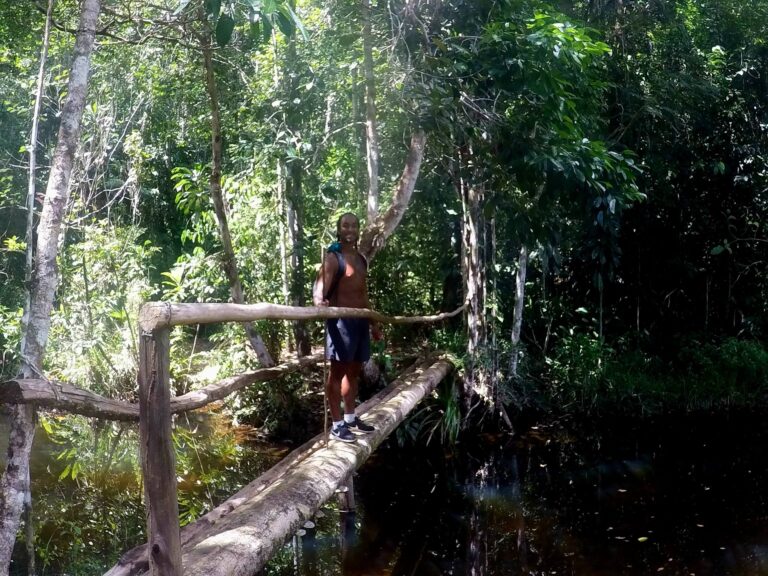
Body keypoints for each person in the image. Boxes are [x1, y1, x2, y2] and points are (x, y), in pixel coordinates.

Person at [314, 212, 382, 443]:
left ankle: (351, 418)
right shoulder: (333, 258)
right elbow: (319, 286)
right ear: (339, 229)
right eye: (345, 226)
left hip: (360, 322)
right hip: (341, 323)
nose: (350, 230)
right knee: (337, 373)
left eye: (353, 226)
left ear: (358, 229)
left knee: (353, 373)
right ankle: (336, 425)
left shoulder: (361, 259)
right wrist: (318, 302)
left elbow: (363, 295)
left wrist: (374, 323)